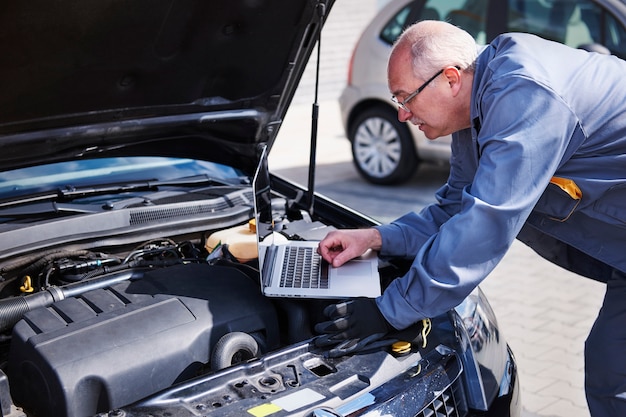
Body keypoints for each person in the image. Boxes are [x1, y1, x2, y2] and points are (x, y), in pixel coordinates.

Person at [314, 20, 626, 416]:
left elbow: (485, 223)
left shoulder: (526, 94)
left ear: (449, 79)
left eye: (405, 98)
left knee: (614, 377)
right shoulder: (478, 108)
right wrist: (376, 238)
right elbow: (456, 208)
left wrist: (388, 310)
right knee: (612, 371)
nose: (402, 115)